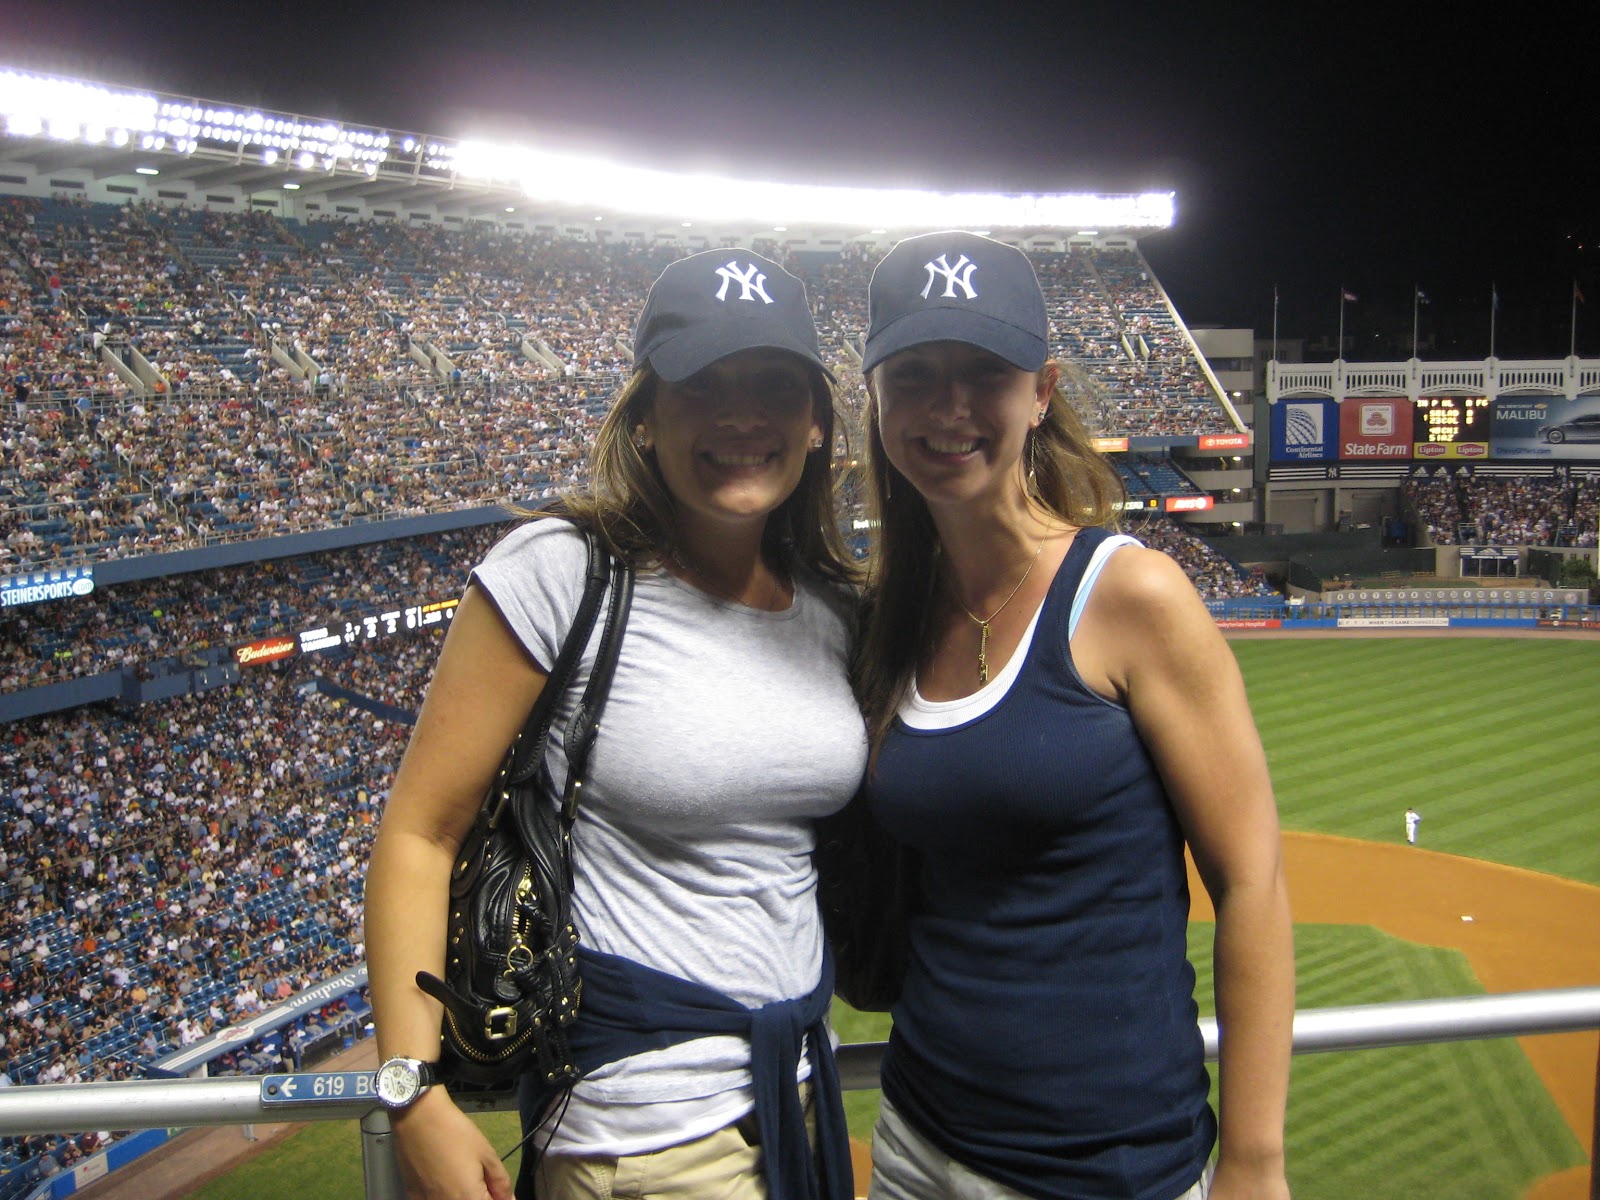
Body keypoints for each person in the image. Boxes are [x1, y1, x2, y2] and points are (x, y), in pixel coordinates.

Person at [365, 248, 867, 1200]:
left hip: (801, 1097)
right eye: (703, 385)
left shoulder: (835, 610)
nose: (741, 416)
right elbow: (420, 831)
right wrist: (411, 1090)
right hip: (638, 1135)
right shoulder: (563, 569)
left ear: (815, 425)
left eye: (773, 387)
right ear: (644, 416)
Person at [852, 231, 1294, 1200]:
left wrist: (1254, 1161)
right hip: (916, 1143)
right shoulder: (890, 614)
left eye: (984, 373)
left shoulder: (1132, 596)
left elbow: (1250, 878)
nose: (949, 406)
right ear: (874, 396)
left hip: (1105, 1168)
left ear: (1042, 391)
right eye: (915, 373)